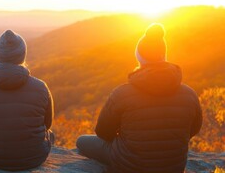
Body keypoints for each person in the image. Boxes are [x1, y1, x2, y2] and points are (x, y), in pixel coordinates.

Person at [76, 23, 202, 173]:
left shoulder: (122, 94)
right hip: (173, 167)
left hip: (130, 166)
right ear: (164, 56)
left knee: (81, 141)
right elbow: (194, 129)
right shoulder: (189, 94)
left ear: (139, 58)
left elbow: (103, 133)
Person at [0, 29, 54, 171]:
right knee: (51, 135)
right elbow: (47, 124)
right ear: (22, 56)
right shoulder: (41, 87)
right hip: (34, 158)